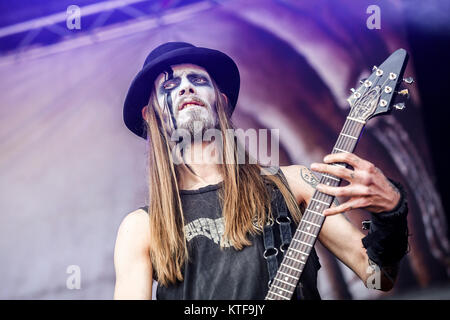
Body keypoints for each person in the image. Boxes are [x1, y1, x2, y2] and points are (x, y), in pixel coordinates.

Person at [113, 42, 409, 300]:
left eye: (197, 79)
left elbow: (379, 279)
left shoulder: (293, 184)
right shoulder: (141, 227)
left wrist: (390, 214)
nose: (186, 87)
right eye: (168, 85)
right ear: (149, 116)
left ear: (222, 101)